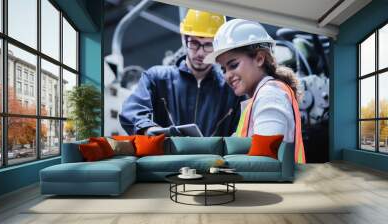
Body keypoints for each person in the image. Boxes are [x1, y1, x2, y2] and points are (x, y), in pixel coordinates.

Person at [119, 9, 244, 137]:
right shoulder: (156, 78)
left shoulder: (231, 88)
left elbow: (243, 130)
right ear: (184, 39)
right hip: (167, 156)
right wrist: (147, 128)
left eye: (208, 45)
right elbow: (131, 110)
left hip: (213, 157)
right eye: (194, 43)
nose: (201, 53)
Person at [204, 19, 306, 163]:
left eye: (233, 65)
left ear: (259, 59)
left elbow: (265, 161)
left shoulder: (270, 96)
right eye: (223, 69)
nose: (227, 75)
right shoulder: (261, 97)